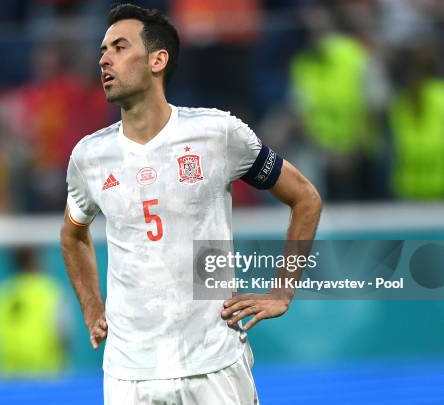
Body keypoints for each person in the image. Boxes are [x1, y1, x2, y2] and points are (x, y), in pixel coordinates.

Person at [60, 4, 321, 404]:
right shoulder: (89, 157)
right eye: (102, 50)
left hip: (214, 364)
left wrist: (282, 290)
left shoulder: (217, 133)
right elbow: (73, 235)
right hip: (130, 376)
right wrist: (92, 306)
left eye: (119, 46)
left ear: (157, 60)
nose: (104, 59)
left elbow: (304, 197)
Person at [0, 246, 67, 378]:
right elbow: (63, 336)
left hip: (6, 379)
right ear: (34, 260)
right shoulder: (50, 291)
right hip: (46, 378)